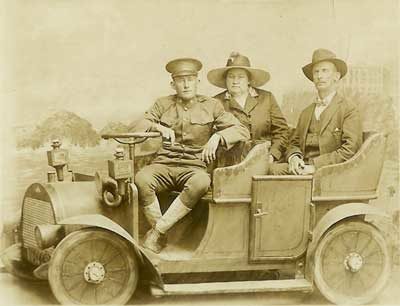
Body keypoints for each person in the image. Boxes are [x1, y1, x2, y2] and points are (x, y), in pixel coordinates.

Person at [134, 58, 250, 253]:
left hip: (195, 167)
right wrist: (157, 126)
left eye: (190, 79)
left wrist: (218, 136)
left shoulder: (212, 105)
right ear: (173, 84)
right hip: (164, 165)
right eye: (181, 80)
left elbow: (242, 130)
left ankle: (156, 233)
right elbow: (138, 125)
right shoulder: (162, 104)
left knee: (201, 182)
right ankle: (160, 234)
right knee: (142, 179)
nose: (186, 84)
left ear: (198, 82)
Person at [270, 48, 362, 175]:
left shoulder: (348, 109)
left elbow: (350, 149)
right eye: (316, 72)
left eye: (325, 71)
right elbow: (293, 143)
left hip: (329, 172)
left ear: (336, 76)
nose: (319, 76)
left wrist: (315, 167)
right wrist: (294, 157)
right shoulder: (306, 113)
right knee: (270, 170)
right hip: (302, 167)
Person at [208, 52, 288, 165]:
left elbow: (282, 131)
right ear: (225, 80)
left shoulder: (266, 98)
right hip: (230, 163)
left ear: (249, 80)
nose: (235, 81)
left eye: (240, 77)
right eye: (231, 77)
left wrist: (273, 155)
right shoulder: (215, 102)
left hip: (264, 158)